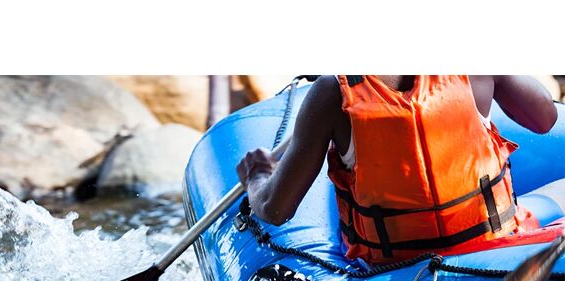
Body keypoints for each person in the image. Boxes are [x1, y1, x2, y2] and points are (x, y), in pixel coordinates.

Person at [236, 76, 558, 265]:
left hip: (394, 276)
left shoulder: (332, 94)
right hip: (498, 254)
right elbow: (544, 117)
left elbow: (275, 208)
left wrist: (258, 175)